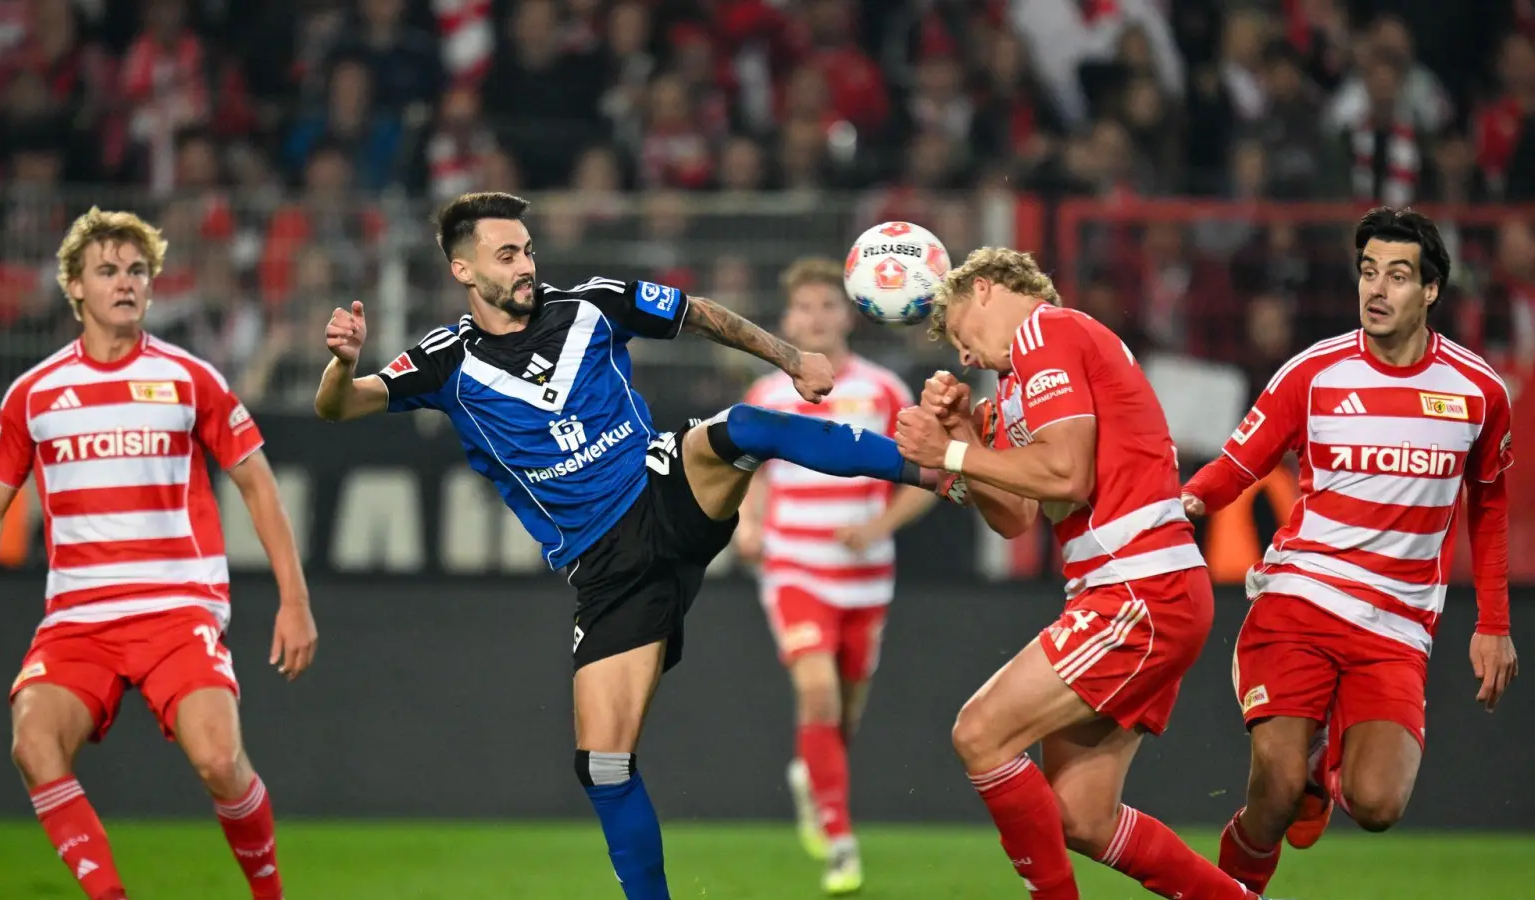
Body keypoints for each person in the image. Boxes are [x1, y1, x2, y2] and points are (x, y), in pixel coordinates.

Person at [313, 192, 947, 900]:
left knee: (742, 428)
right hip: (607, 573)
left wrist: (791, 354)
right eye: (506, 255)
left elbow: (696, 312)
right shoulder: (443, 362)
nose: (526, 266)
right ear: (463, 270)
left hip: (660, 492)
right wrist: (341, 363)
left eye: (527, 250)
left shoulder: (592, 303)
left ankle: (938, 469)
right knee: (605, 767)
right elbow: (339, 405)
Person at [0, 208, 318, 900]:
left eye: (137, 271)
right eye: (108, 271)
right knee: (33, 744)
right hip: (79, 621)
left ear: (151, 286)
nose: (125, 283)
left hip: (177, 611)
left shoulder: (190, 378)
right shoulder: (34, 393)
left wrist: (295, 601)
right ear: (76, 288)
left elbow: (258, 486)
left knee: (218, 760)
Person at [896, 246, 1270, 900]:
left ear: (985, 289)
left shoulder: (1047, 330)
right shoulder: (1020, 382)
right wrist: (967, 447)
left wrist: (951, 451)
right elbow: (1014, 516)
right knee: (1081, 817)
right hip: (1136, 588)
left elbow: (1068, 473)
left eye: (959, 332)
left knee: (980, 733)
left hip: (1137, 587)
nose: (964, 356)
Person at [1183, 207, 1518, 894]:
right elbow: (1238, 465)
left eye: (1397, 276)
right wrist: (1184, 503)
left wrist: (1493, 623)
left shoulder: (1478, 391)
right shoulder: (1315, 372)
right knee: (1272, 794)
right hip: (1299, 598)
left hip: (1396, 626)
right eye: (1368, 272)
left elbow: (1488, 503)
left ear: (1430, 291)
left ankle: (1321, 767)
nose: (1377, 289)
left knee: (1377, 804)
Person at [733, 258, 936, 895]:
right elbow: (746, 474)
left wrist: (878, 528)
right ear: (786, 320)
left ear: (848, 313)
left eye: (826, 306)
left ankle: (812, 777)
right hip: (796, 566)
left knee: (843, 716)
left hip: (866, 575)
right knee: (816, 692)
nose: (815, 318)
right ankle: (841, 843)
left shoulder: (882, 391)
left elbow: (930, 477)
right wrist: (747, 527)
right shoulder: (767, 395)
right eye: (803, 309)